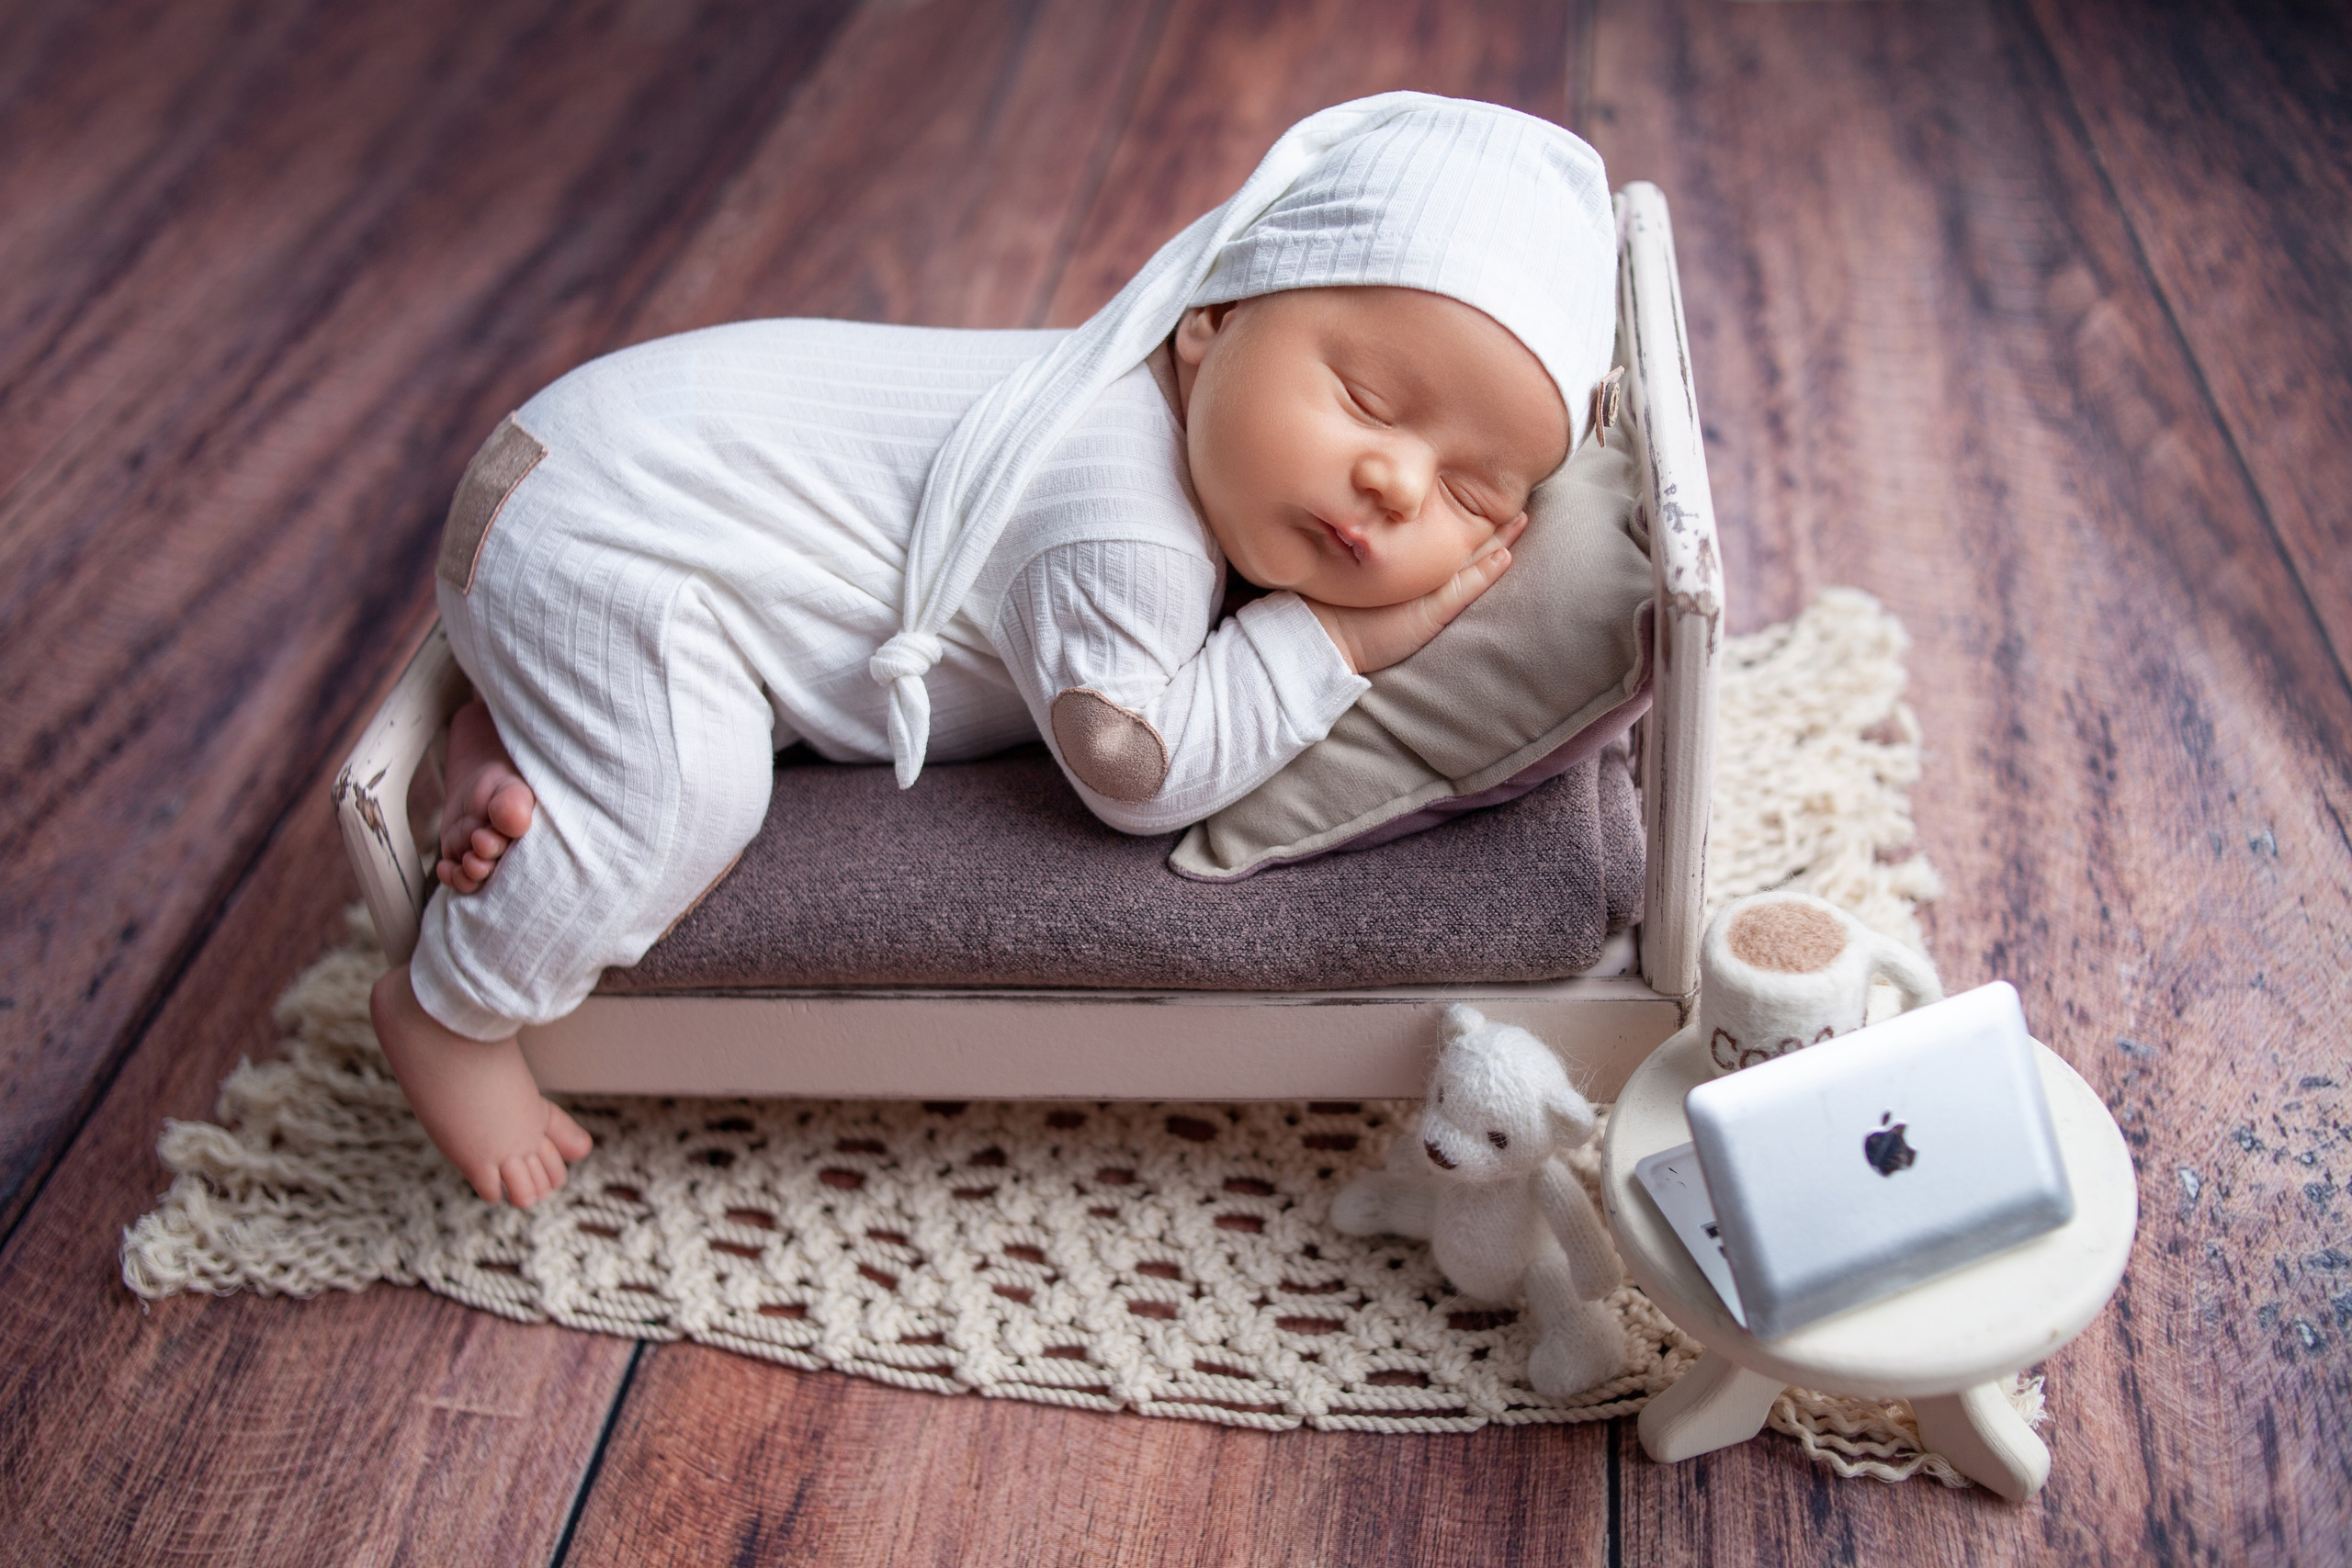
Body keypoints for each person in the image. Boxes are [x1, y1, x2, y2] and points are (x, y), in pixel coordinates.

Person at [368, 93, 1620, 1207]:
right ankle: (452, 1005)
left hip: (603, 497)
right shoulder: (1121, 517)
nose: (1398, 482)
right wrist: (1339, 635)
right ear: (1206, 326)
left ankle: (523, 729)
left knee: (718, 704)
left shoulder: (1202, 447)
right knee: (694, 802)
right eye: (1366, 399)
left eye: (1471, 491)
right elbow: (1137, 771)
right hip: (591, 531)